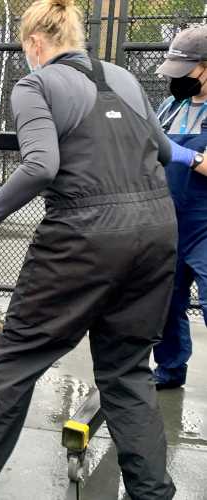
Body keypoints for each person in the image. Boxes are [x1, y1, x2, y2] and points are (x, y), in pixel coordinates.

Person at [0, 0, 185, 498]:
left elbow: (40, 167)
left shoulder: (35, 84)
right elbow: (161, 151)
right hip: (156, 231)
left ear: (35, 44)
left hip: (84, 235)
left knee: (18, 356)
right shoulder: (126, 79)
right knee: (126, 370)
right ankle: (153, 493)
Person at [152, 25, 207, 390]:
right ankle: (170, 370)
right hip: (168, 222)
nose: (178, 81)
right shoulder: (171, 107)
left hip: (204, 225)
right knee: (166, 303)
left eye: (185, 72)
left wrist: (185, 156)